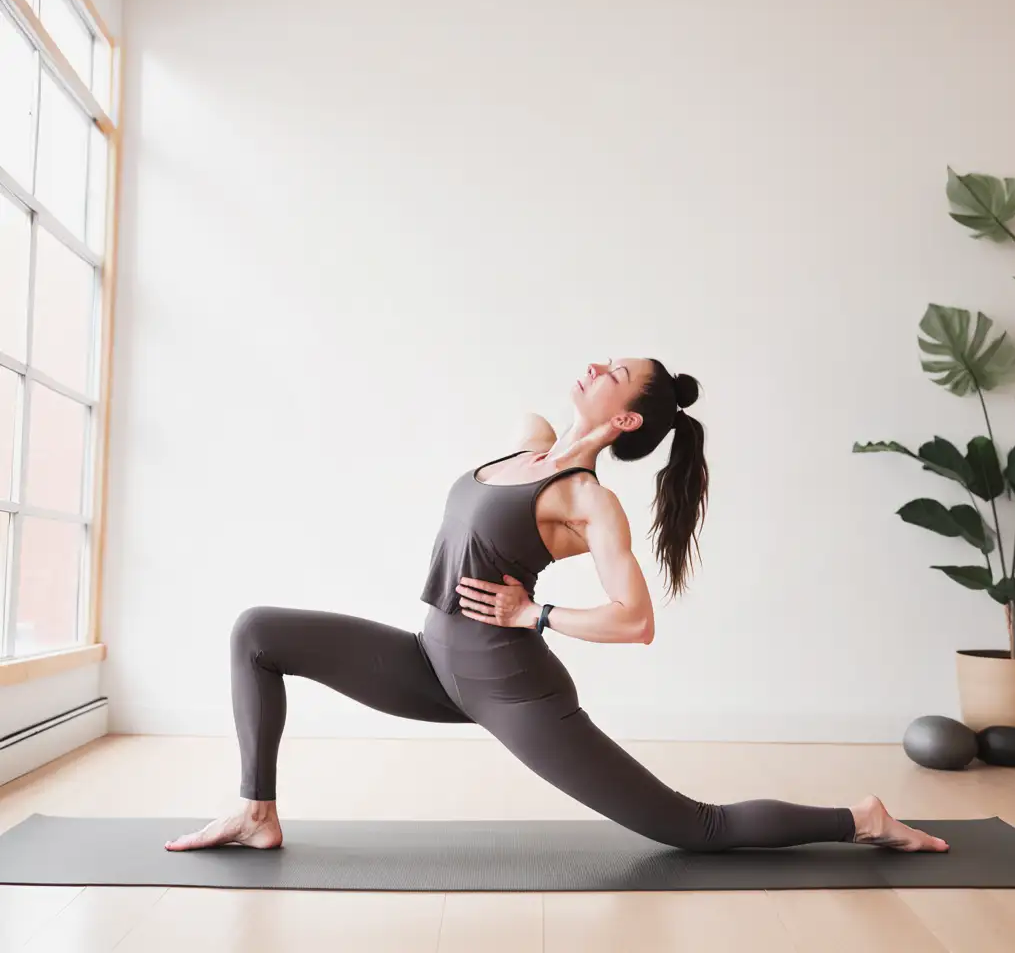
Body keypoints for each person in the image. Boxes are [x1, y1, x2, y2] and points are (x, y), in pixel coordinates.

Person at [166, 358, 948, 854]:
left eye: (616, 370)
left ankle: (861, 819)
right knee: (257, 633)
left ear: (628, 420)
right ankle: (255, 812)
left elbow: (635, 620)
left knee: (692, 828)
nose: (595, 363)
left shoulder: (587, 501)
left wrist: (533, 617)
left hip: (512, 689)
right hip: (433, 663)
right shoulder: (529, 442)